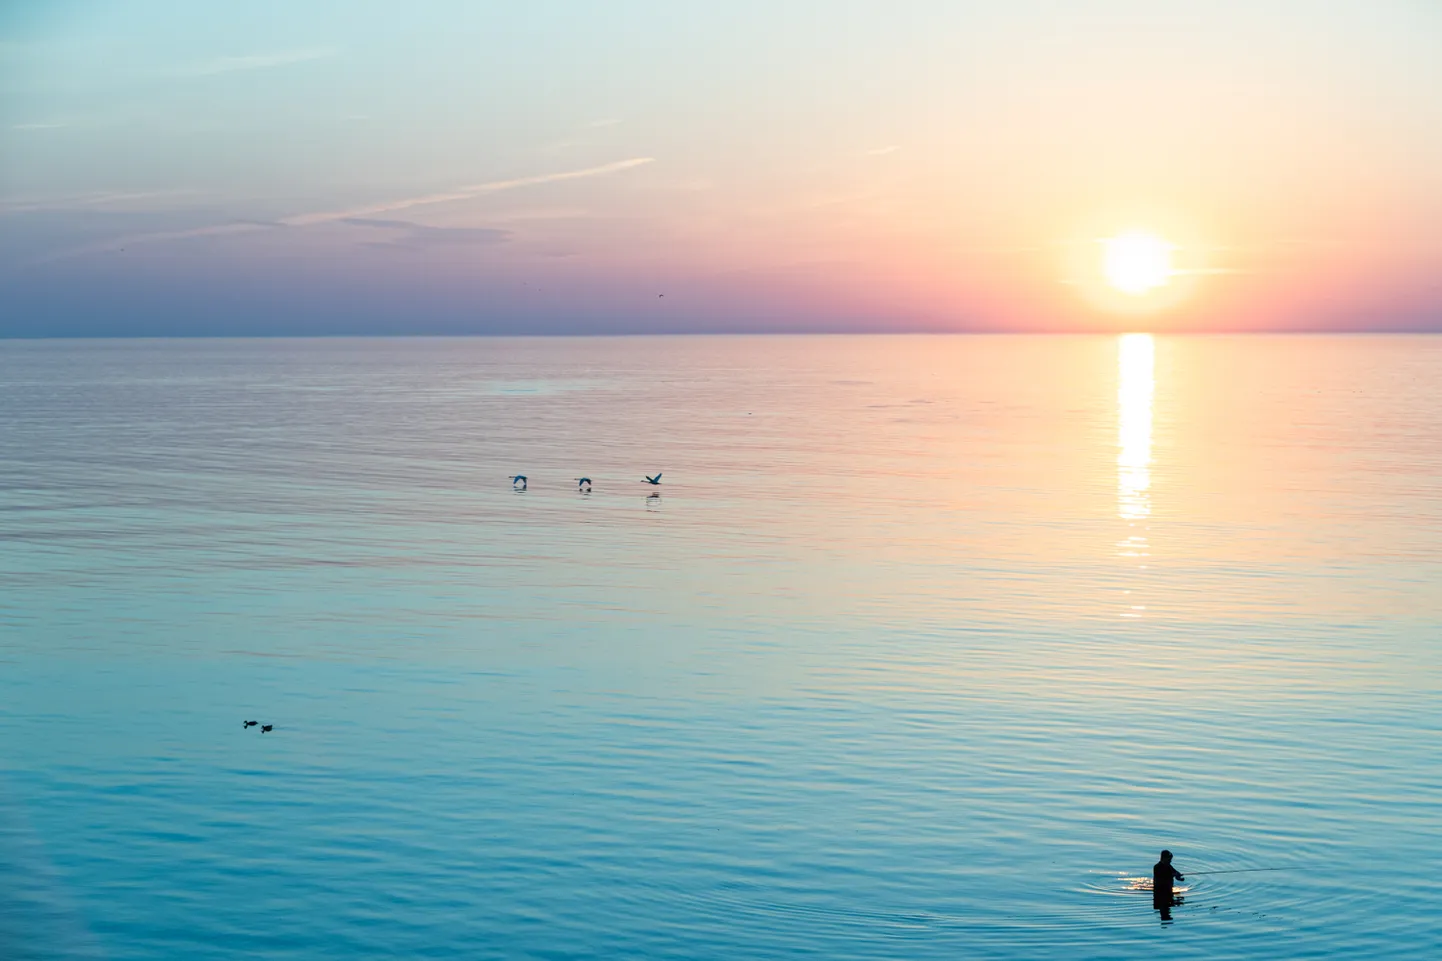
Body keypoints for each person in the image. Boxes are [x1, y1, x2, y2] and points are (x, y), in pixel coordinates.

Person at [1153, 849, 1185, 915]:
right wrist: (1173, 874)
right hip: (1159, 892)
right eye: (1169, 859)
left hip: (1169, 890)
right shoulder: (1157, 867)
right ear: (1163, 858)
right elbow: (1163, 875)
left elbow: (1175, 872)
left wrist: (1178, 877)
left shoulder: (1169, 866)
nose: (1170, 861)